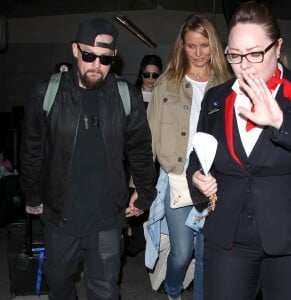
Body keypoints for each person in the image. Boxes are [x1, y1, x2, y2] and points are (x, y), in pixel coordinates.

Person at [20, 17, 157, 300]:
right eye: (89, 55)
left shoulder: (125, 96)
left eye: (105, 59)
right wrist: (32, 195)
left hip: (107, 217)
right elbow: (31, 149)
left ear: (114, 58)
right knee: (58, 284)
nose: (96, 64)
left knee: (105, 291)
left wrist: (144, 192)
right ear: (74, 50)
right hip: (59, 215)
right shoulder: (47, 93)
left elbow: (141, 150)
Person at [187, 2, 291, 300]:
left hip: (290, 241)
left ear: (277, 47)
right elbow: (198, 158)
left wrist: (279, 121)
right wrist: (197, 178)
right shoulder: (216, 99)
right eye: (235, 55)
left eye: (254, 53)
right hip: (228, 239)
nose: (244, 65)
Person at [146, 14, 231, 300]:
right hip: (178, 180)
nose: (198, 53)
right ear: (182, 46)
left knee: (208, 255)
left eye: (204, 45)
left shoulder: (227, 84)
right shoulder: (167, 83)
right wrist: (138, 187)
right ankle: (172, 291)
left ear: (214, 46)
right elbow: (149, 139)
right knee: (182, 253)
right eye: (191, 45)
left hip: (215, 182)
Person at [124, 54, 163, 257]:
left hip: (155, 154)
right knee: (131, 194)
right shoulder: (132, 94)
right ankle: (131, 237)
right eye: (146, 74)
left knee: (150, 195)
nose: (150, 78)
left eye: (155, 75)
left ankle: (146, 241)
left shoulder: (164, 97)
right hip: (133, 153)